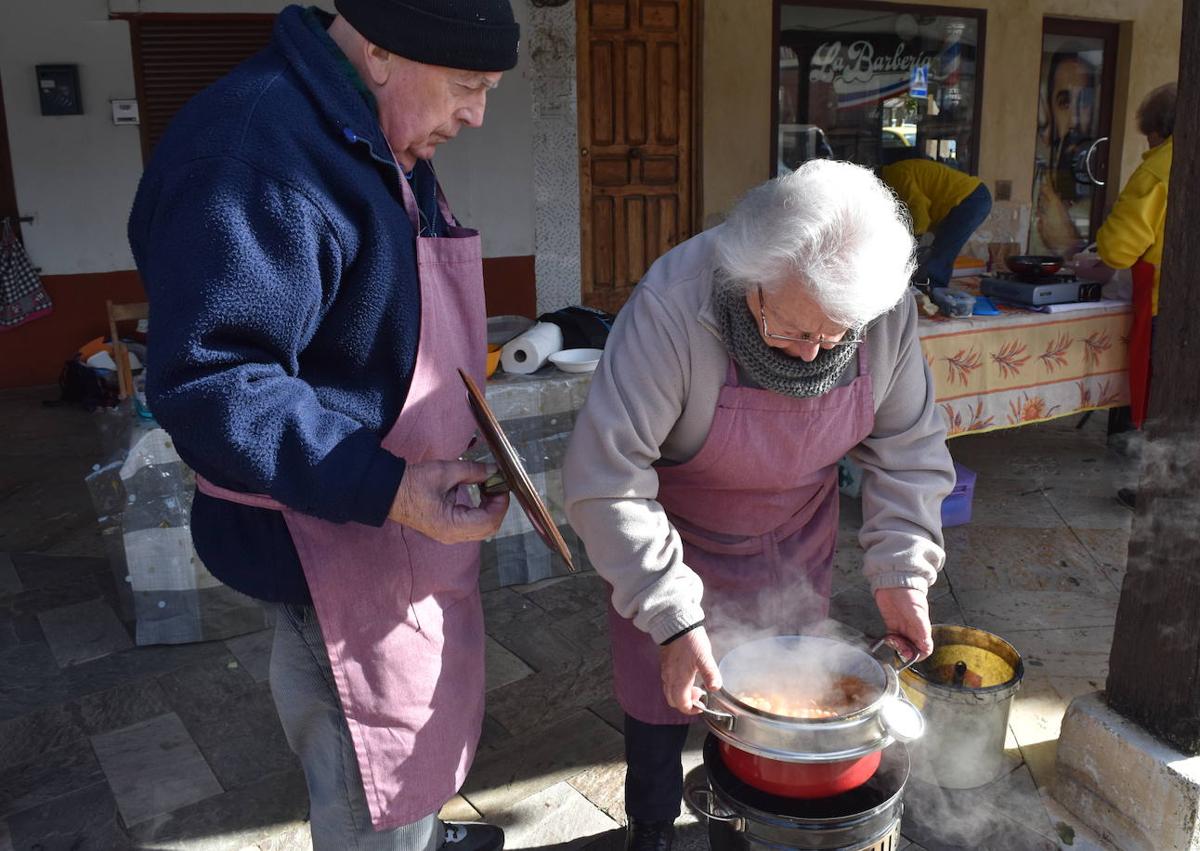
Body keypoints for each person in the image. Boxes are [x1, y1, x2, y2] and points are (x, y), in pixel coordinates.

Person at [127, 3, 519, 849]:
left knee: (415, 740)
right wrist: (384, 484)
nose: (478, 114)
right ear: (379, 50)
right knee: (365, 775)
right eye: (468, 86)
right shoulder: (254, 152)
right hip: (333, 545)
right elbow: (211, 379)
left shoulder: (381, 133)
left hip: (398, 521)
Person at [563, 160, 955, 851]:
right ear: (750, 277)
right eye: (790, 331)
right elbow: (606, 476)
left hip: (794, 537)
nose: (810, 355)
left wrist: (903, 573)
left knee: (783, 716)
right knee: (662, 697)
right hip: (670, 537)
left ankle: (749, 831)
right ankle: (650, 823)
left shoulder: (884, 310)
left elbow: (909, 450)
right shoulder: (673, 306)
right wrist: (670, 613)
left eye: (833, 337)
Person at [1085, 82, 1175, 508]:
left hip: (1167, 300)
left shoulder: (1158, 168)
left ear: (1157, 129)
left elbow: (1119, 248)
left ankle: (1159, 489)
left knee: (1165, 395)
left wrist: (1105, 234)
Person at [879, 156, 993, 288]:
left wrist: (911, 243)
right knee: (939, 253)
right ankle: (929, 293)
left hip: (971, 198)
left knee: (941, 255)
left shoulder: (894, 176)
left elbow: (919, 213)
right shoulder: (894, 176)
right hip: (970, 198)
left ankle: (931, 297)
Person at [1032, 50, 1099, 256]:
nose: (1075, 119)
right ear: (1049, 109)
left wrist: (1069, 242)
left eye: (1085, 102)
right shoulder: (1039, 178)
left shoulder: (1099, 181)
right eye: (1065, 103)